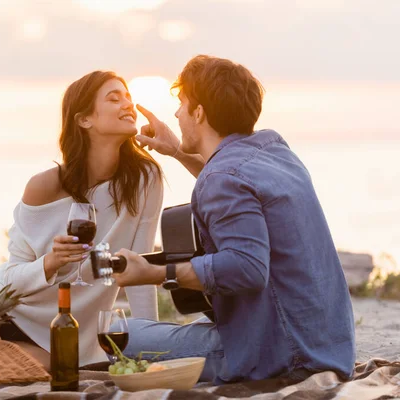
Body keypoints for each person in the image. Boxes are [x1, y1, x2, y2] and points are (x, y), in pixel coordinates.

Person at [112, 55, 355, 384]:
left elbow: (247, 268)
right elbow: (237, 188)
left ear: (199, 113)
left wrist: (156, 273)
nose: (176, 113)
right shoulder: (274, 150)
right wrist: (178, 151)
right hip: (328, 346)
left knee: (117, 335)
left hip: (282, 356)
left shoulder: (223, 178)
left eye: (182, 104)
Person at [0, 71, 164, 369]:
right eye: (114, 98)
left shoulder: (145, 179)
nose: (128, 104)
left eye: (128, 97)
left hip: (70, 329)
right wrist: (50, 263)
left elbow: (140, 269)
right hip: (4, 309)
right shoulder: (44, 186)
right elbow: (12, 274)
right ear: (84, 120)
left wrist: (149, 347)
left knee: (48, 368)